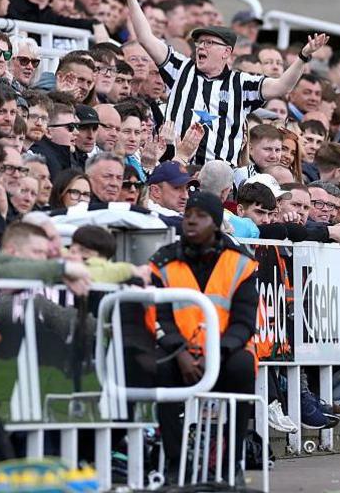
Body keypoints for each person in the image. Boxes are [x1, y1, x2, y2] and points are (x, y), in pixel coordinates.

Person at [106, 0, 329, 165]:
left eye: (209, 43)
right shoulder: (181, 68)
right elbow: (145, 37)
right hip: (175, 166)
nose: (201, 47)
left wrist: (302, 57)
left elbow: (281, 87)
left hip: (219, 173)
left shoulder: (241, 83)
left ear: (226, 52)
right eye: (199, 42)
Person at [147, 191, 259, 479]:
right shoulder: (162, 262)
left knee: (243, 367)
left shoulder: (241, 263)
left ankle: (229, 463)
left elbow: (245, 322)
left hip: (225, 353)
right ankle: (175, 463)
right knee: (161, 367)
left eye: (202, 217)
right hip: (180, 352)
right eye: (188, 217)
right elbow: (159, 317)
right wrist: (181, 353)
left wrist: (217, 354)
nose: (191, 222)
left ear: (217, 224)